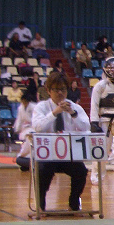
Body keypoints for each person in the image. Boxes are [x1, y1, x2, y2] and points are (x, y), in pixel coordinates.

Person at [31, 71, 90, 211]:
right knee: (42, 172)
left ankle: (74, 203)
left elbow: (86, 127)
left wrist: (73, 114)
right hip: (48, 154)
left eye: (63, 89)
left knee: (81, 171)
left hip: (68, 154)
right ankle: (41, 206)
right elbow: (38, 128)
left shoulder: (74, 107)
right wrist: (54, 113)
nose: (60, 93)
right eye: (56, 89)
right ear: (48, 90)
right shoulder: (41, 107)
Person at [14, 90, 36, 170]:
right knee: (23, 141)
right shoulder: (20, 108)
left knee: (30, 141)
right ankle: (25, 162)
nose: (23, 103)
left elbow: (36, 119)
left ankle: (30, 160)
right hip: (25, 128)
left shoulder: (34, 107)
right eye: (22, 101)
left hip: (33, 127)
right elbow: (19, 119)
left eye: (25, 102)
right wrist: (17, 128)